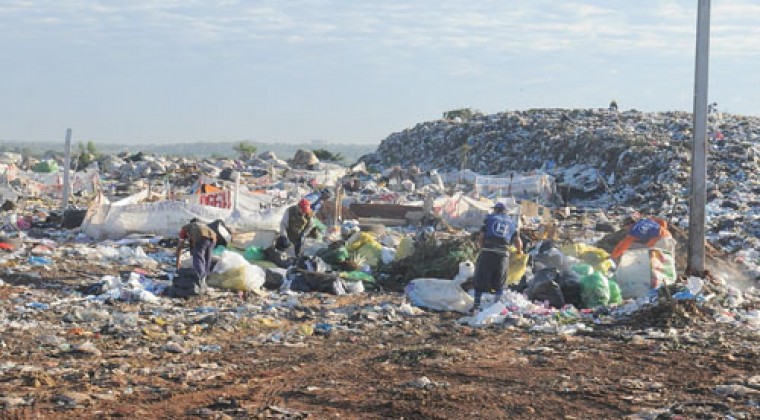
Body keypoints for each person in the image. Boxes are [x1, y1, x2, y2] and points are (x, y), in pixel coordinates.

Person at [472, 202, 523, 313]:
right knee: (500, 281)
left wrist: (481, 248)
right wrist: (519, 252)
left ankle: (476, 306)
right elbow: (518, 241)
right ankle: (495, 307)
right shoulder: (512, 223)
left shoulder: (489, 219)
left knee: (480, 278)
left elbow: (481, 237)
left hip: (487, 252)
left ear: (496, 210)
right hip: (502, 255)